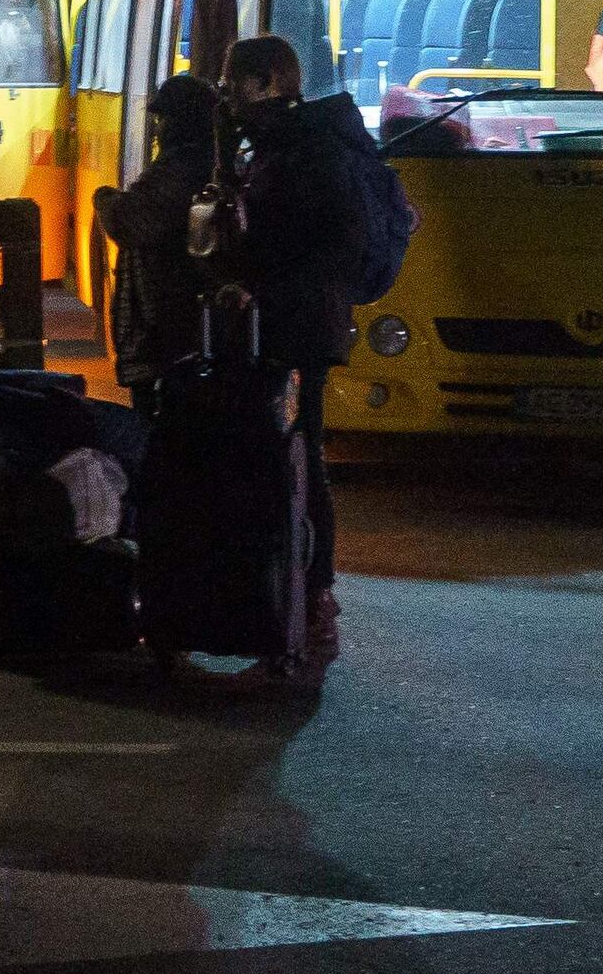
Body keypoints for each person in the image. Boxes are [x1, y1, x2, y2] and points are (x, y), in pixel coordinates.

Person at [220, 34, 398, 674]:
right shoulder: (292, 146)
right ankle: (299, 601)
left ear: (267, 82)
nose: (227, 97)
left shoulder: (306, 154)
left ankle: (309, 600)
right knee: (295, 461)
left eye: (235, 83)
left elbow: (317, 247)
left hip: (297, 330)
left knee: (295, 463)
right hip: (296, 325)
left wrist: (257, 281)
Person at [95, 74, 223, 415]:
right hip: (184, 324)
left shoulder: (182, 168)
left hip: (169, 325)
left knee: (160, 425)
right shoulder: (211, 162)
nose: (157, 130)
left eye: (163, 120)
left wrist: (105, 199)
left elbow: (131, 220)